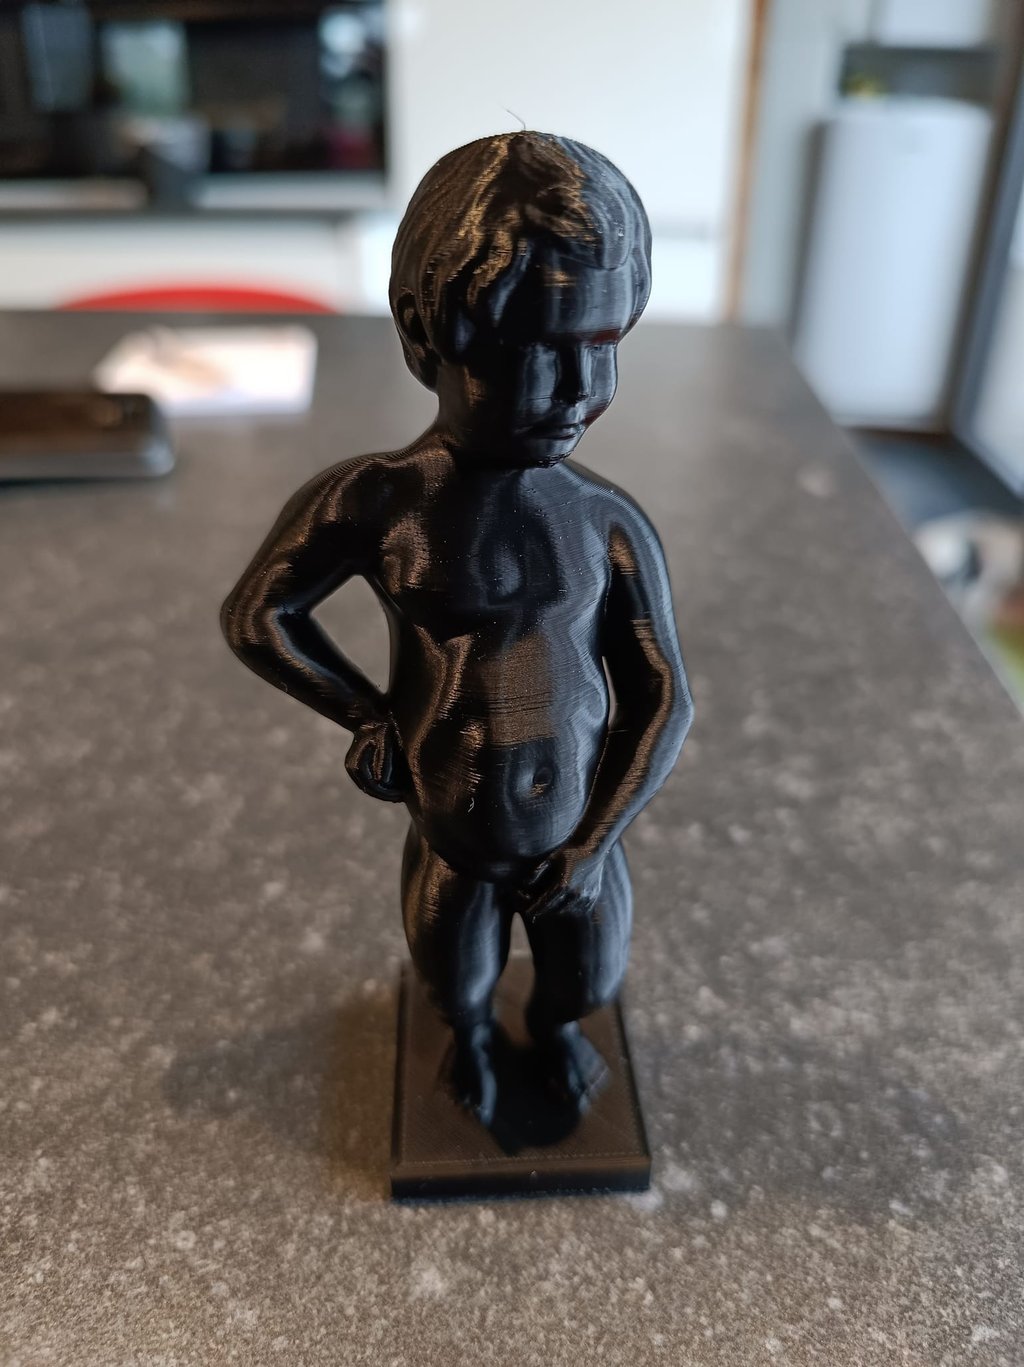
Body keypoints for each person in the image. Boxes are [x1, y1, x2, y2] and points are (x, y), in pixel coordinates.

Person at [222, 132, 692, 1126]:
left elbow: (662, 697)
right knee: (454, 982)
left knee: (584, 983)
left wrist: (597, 840)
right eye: (531, 350)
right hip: (453, 832)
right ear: (423, 334)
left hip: (577, 838)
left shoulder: (605, 522)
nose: (575, 388)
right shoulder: (383, 499)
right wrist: (364, 712)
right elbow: (259, 614)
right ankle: (473, 1040)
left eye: (602, 345)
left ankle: (554, 1036)